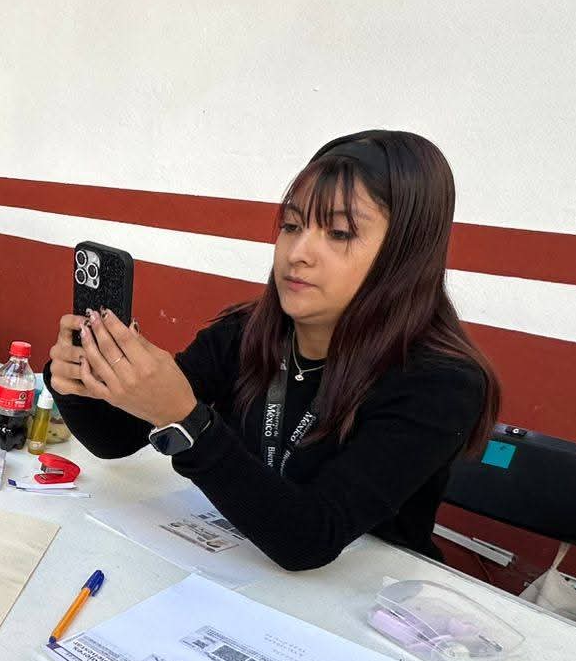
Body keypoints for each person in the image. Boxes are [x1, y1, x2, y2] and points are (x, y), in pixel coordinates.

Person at [48, 130, 500, 571]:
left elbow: (311, 538)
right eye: (292, 225)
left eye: (339, 232)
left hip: (366, 599)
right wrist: (78, 383)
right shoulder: (248, 333)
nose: (298, 252)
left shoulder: (440, 383)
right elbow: (115, 439)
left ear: (405, 254)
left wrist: (187, 422)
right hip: (238, 572)